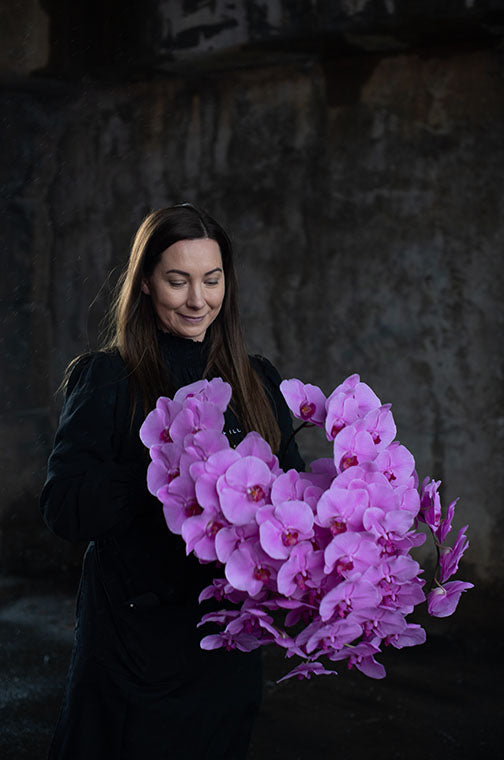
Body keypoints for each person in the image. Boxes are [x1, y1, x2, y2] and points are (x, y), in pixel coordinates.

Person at [41, 203, 304, 760]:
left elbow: (295, 494)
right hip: (133, 645)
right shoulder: (109, 377)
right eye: (177, 280)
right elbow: (62, 508)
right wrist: (167, 477)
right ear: (144, 284)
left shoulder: (257, 380)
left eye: (212, 280)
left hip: (226, 642)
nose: (197, 299)